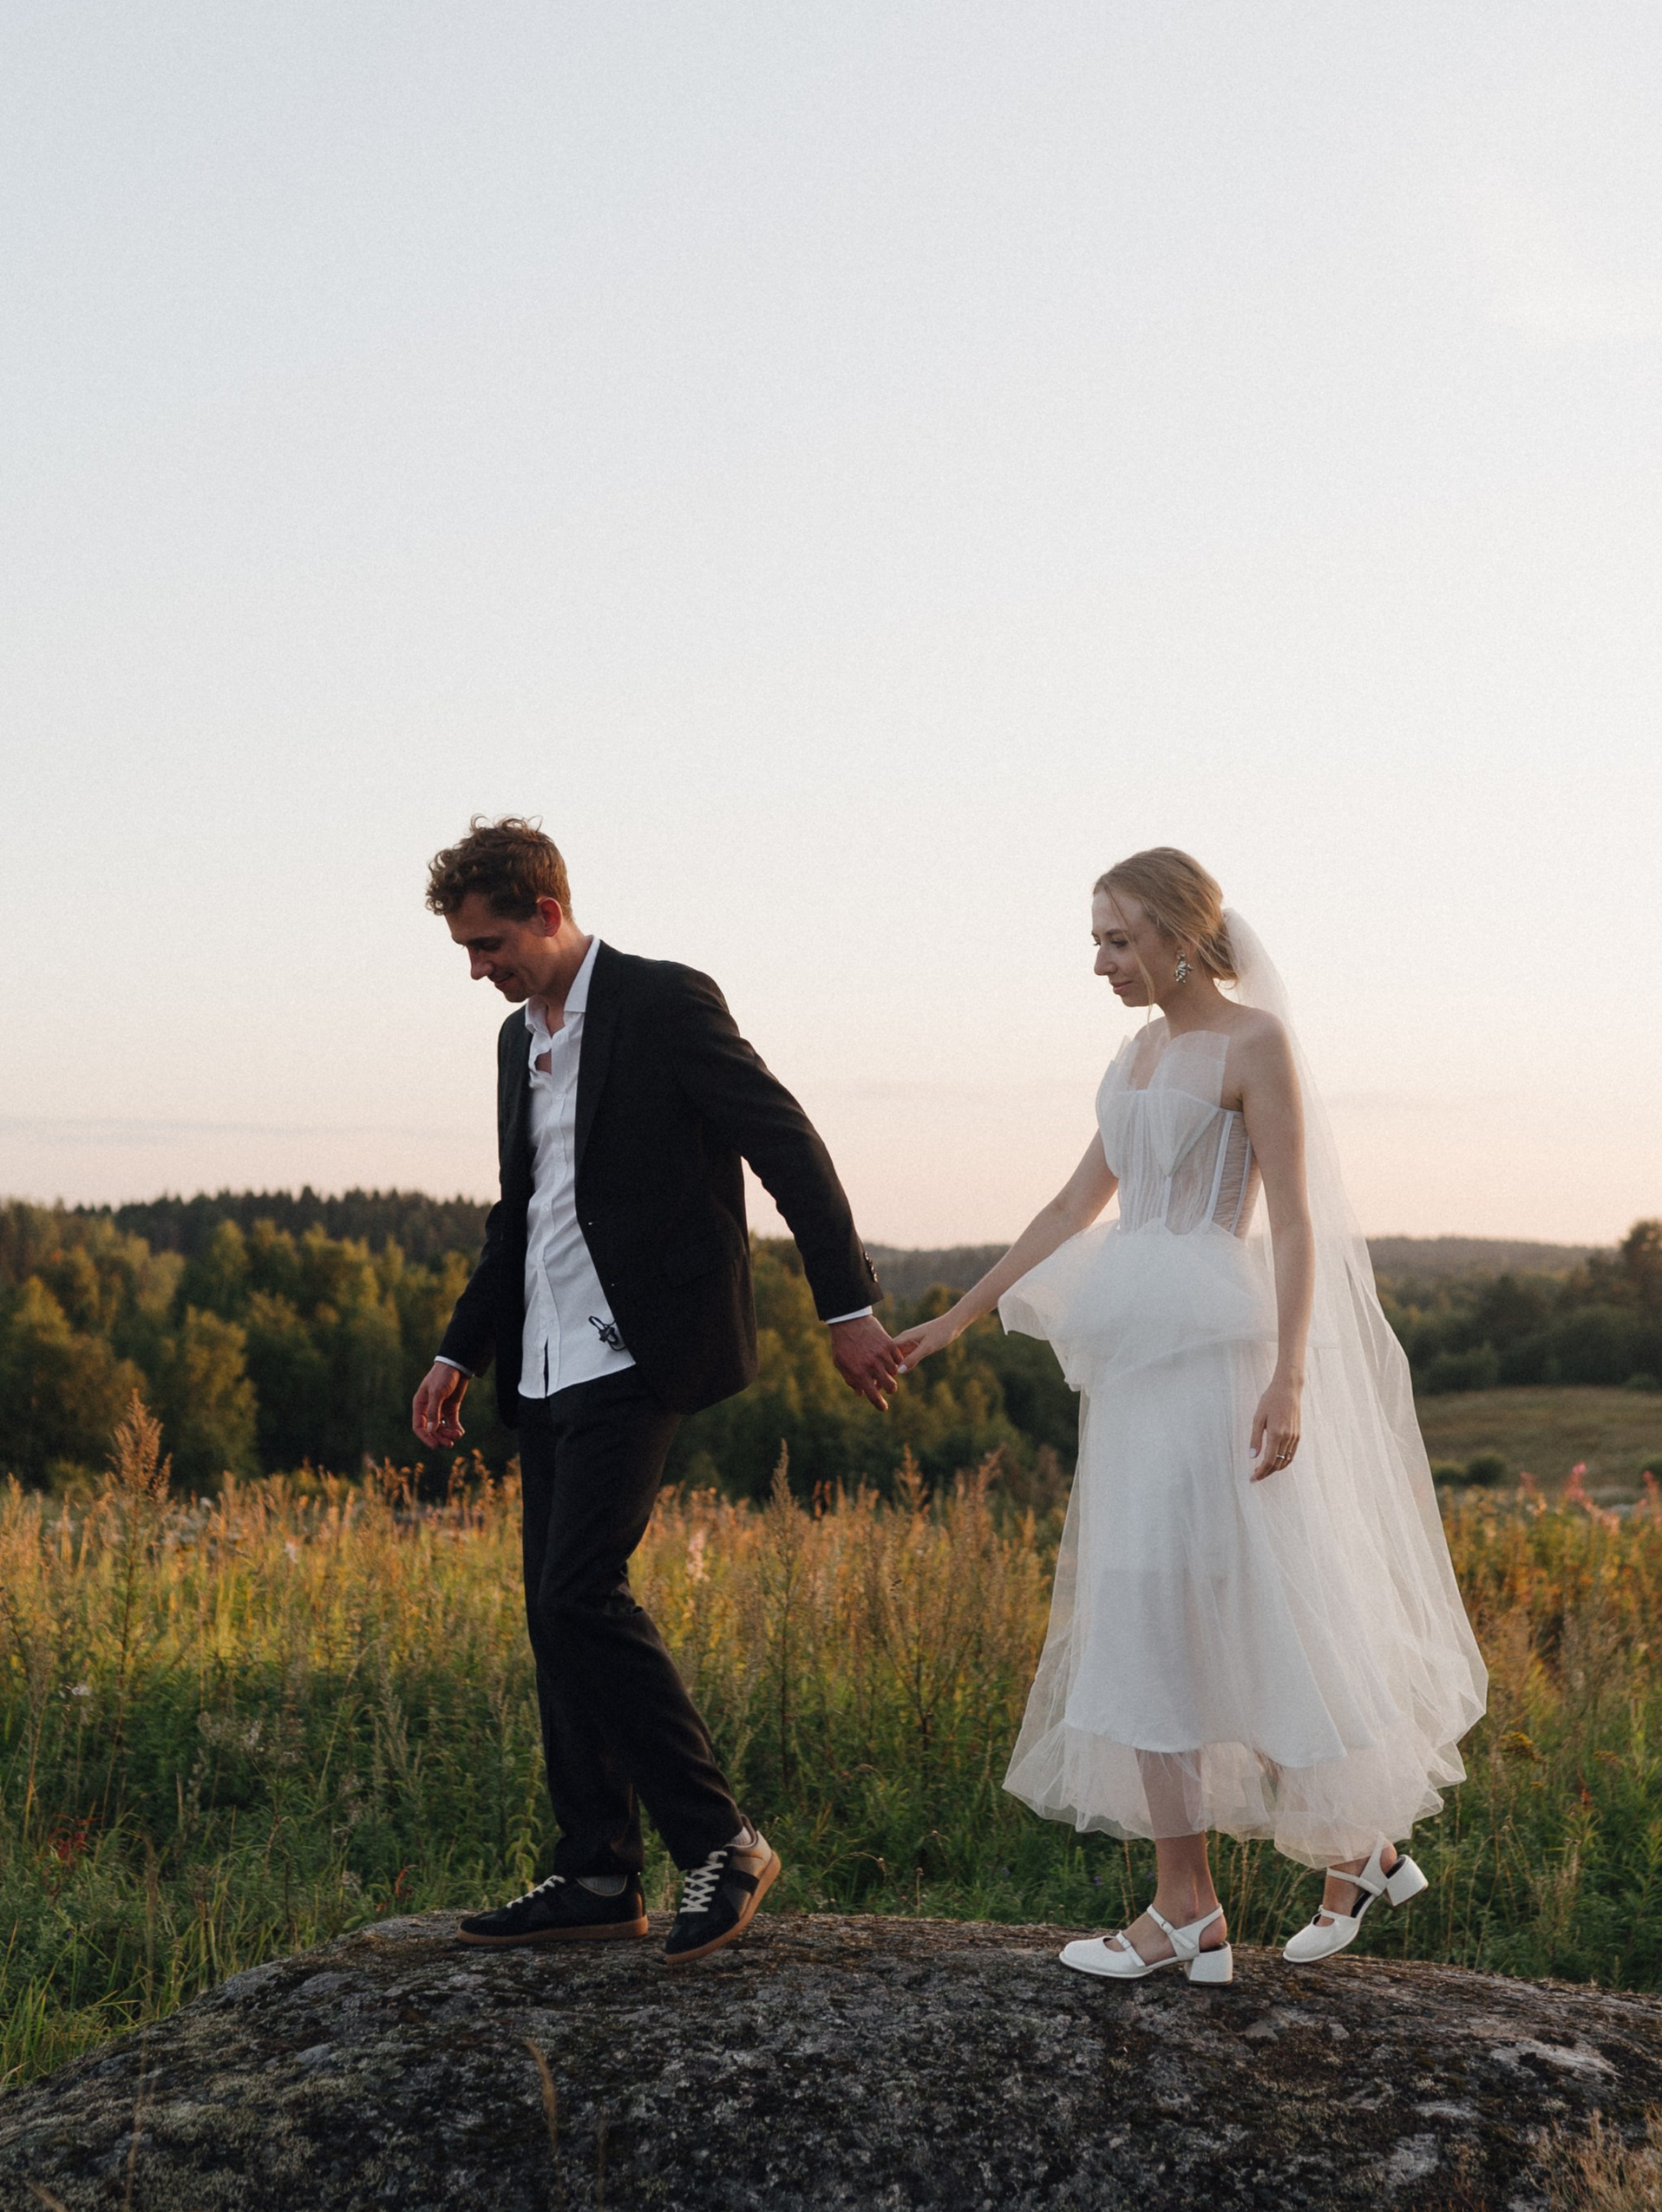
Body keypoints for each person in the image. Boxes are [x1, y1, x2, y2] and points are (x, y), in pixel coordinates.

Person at [895, 849, 1487, 1984]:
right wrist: (955, 1318)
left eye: (1118, 940)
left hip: (1216, 1356)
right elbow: (1077, 1202)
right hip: (1135, 1363)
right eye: (1096, 942)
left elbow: (1300, 1221)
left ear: (1178, 933)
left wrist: (1291, 1378)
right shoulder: (1134, 1055)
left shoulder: (1253, 1044)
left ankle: (1260, 1882)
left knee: (1219, 1600)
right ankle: (1234, 1892)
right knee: (1145, 1600)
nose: (1103, 963)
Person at [410, 817, 903, 1963]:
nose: (479, 972)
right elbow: (520, 1216)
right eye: (466, 954)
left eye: (490, 946)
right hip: (542, 1359)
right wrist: (458, 1352)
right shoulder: (513, 1045)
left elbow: (790, 1147)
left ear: (546, 911)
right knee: (552, 1608)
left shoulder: (666, 1002)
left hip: (645, 1346)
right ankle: (595, 1866)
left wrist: (846, 1307)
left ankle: (721, 1842)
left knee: (581, 1593)